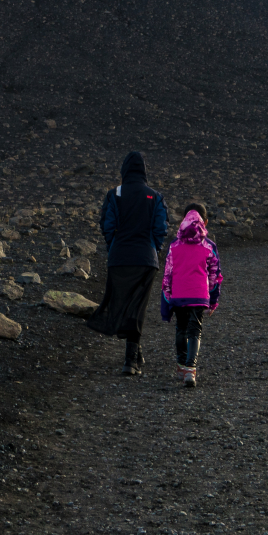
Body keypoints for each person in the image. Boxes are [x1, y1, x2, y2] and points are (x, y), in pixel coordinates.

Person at [88, 150, 168, 375]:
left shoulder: (115, 194)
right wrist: (154, 247)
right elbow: (161, 227)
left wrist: (114, 246)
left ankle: (133, 355)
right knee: (137, 306)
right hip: (145, 260)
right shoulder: (154, 195)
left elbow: (107, 224)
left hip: (119, 259)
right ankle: (131, 358)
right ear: (144, 171)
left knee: (122, 302)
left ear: (124, 170)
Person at [159, 203, 222, 387]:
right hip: (200, 296)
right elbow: (215, 276)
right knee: (195, 330)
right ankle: (190, 369)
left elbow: (167, 275)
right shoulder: (209, 246)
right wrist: (213, 301)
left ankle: (181, 365)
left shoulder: (174, 246)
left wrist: (168, 297)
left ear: (184, 220)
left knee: (181, 328)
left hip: (179, 295)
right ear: (206, 222)